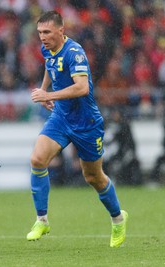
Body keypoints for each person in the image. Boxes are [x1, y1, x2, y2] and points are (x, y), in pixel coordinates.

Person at [27, 11, 128, 248]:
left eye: (47, 32)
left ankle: (118, 218)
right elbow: (49, 66)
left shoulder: (74, 52)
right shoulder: (47, 48)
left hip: (86, 123)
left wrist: (48, 94)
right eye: (40, 32)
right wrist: (44, 91)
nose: (42, 37)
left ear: (61, 31)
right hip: (61, 117)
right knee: (37, 159)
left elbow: (82, 87)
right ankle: (42, 220)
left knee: (93, 177)